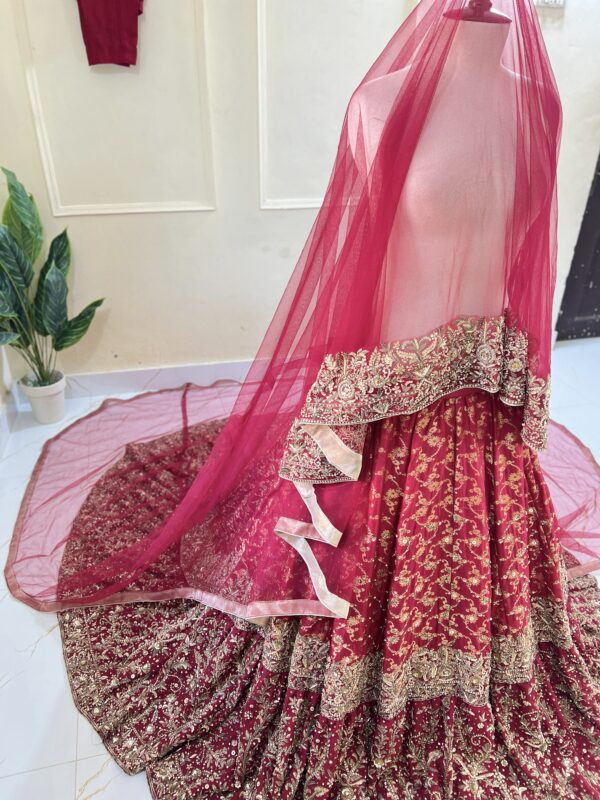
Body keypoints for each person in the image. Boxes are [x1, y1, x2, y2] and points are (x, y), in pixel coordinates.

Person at [6, 1, 600, 796]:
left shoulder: (541, 105)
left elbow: (522, 263)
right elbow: (358, 268)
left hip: (486, 411)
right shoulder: (380, 104)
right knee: (343, 564)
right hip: (389, 403)